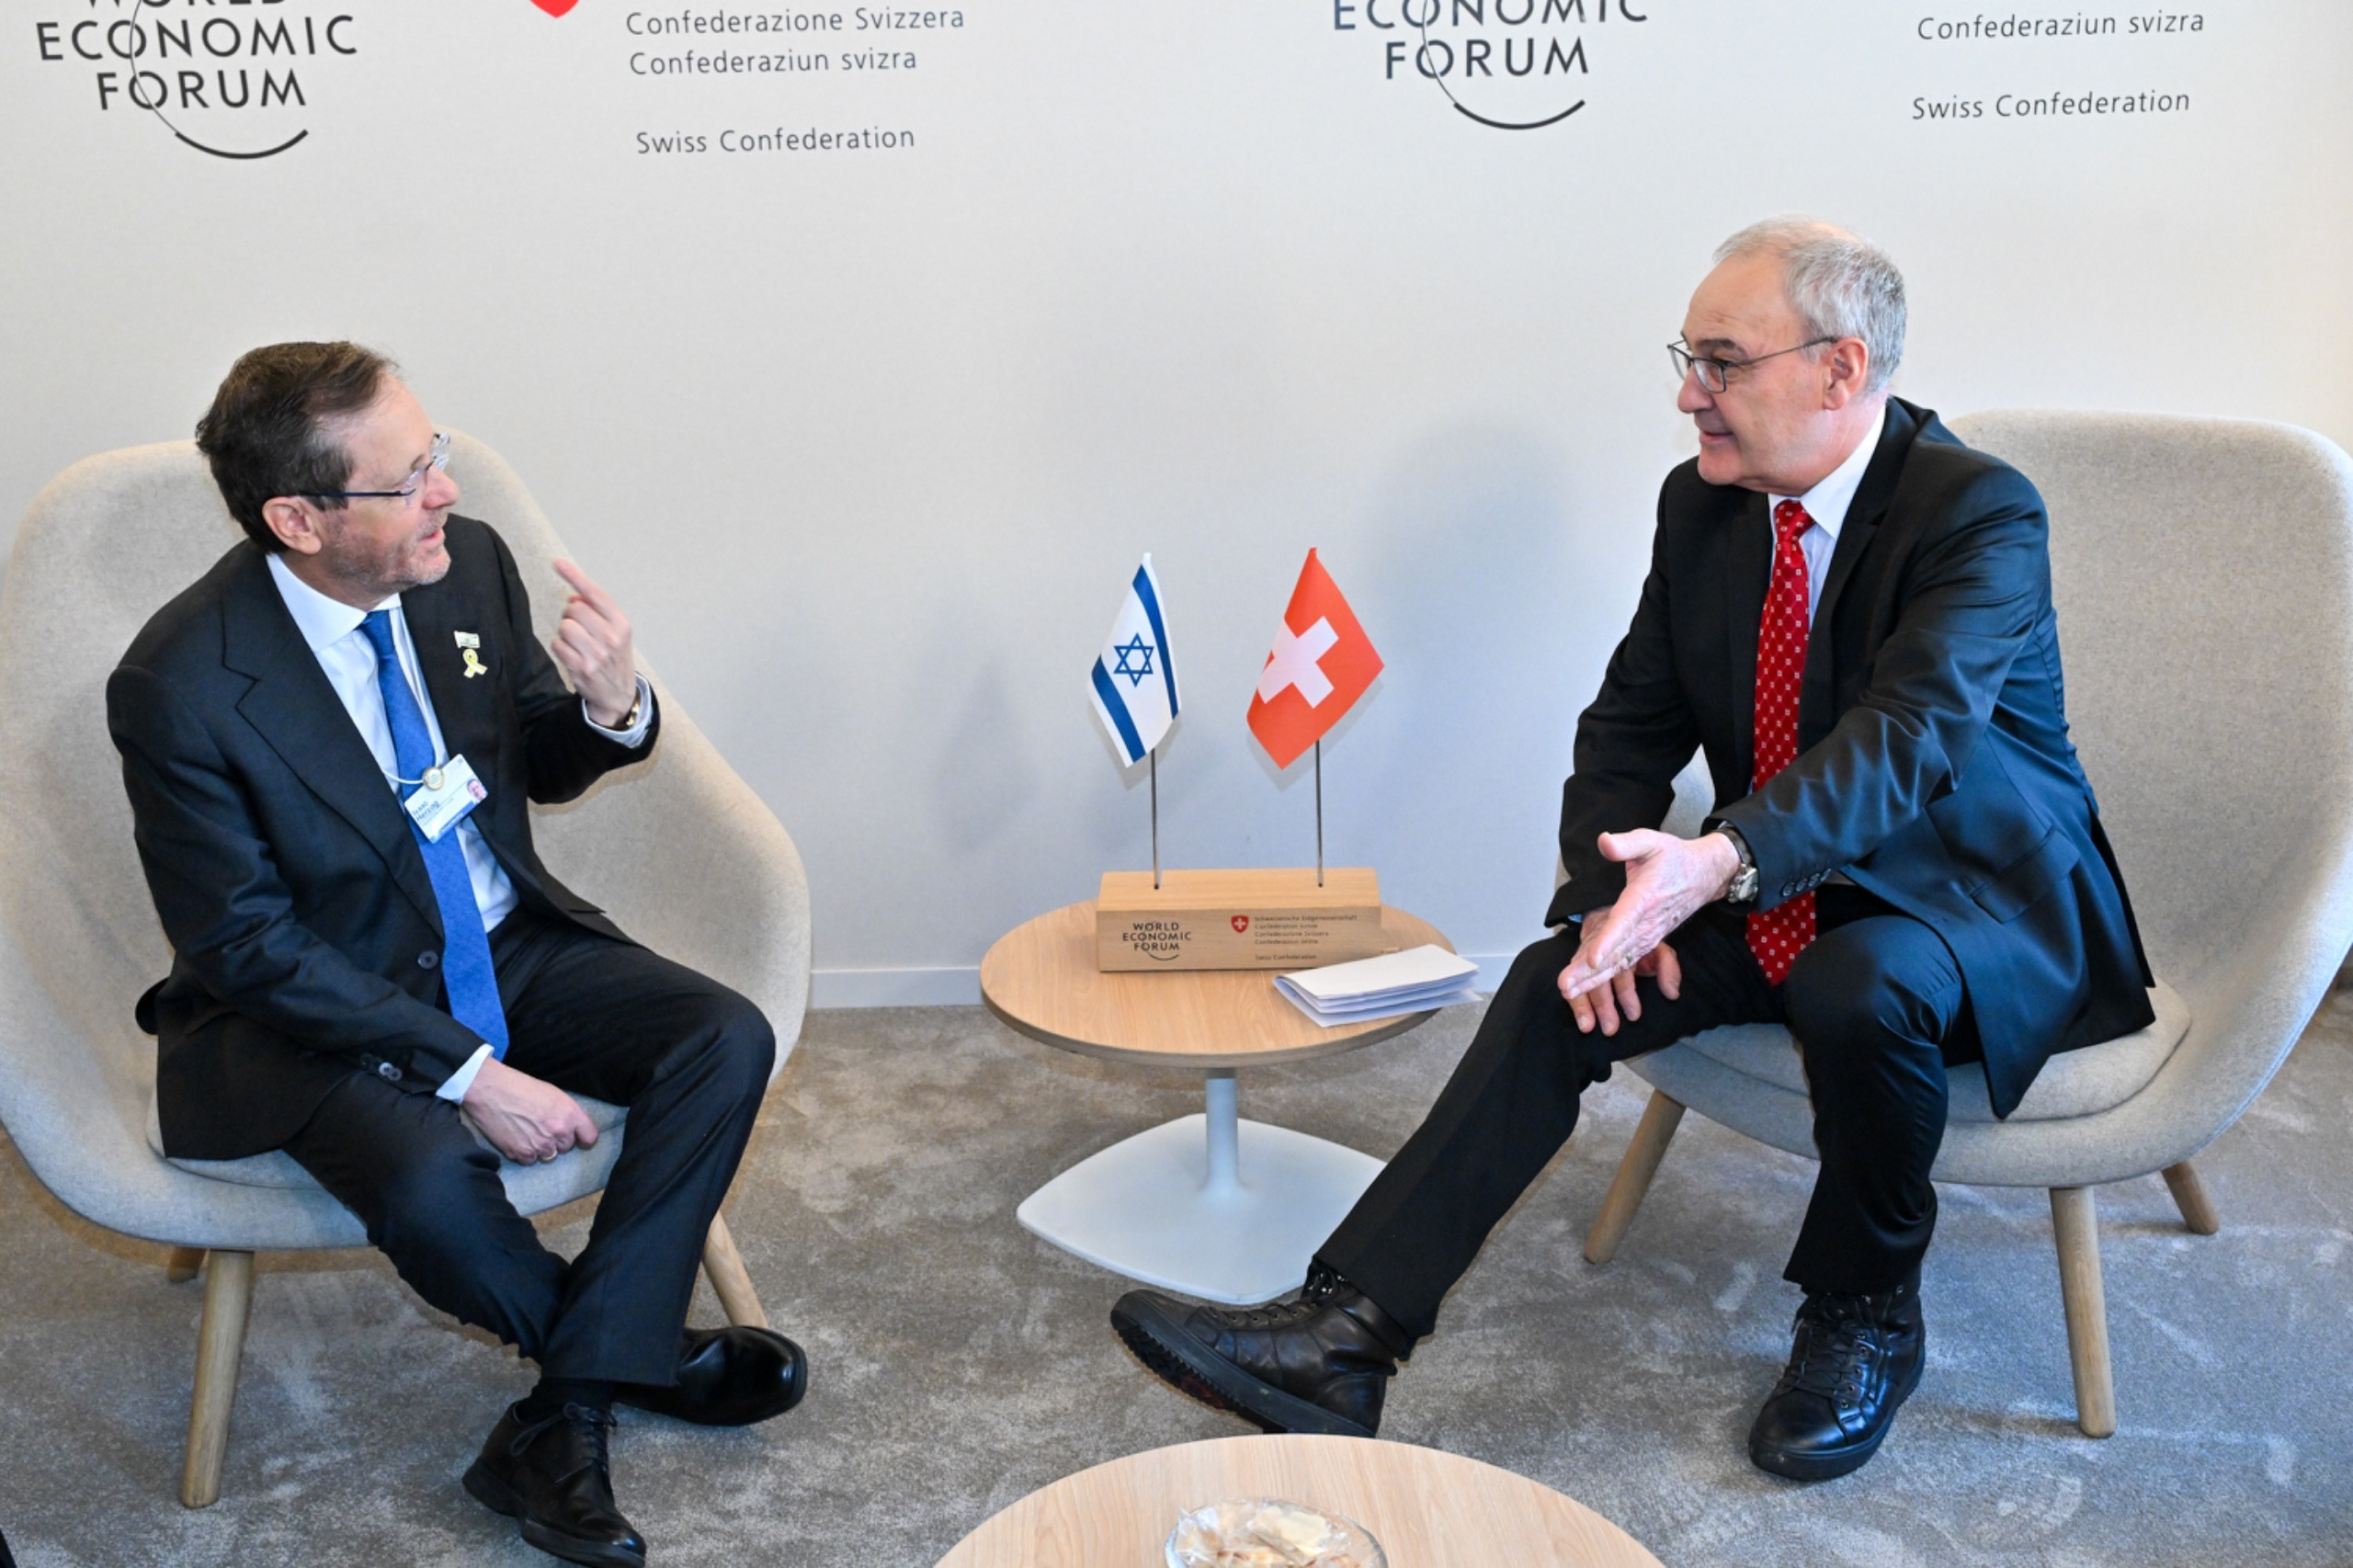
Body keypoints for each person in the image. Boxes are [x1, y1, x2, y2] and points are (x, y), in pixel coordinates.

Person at [1110, 219, 2154, 1481]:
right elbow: (1629, 727)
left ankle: (1867, 1312)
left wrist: (1712, 864)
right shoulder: (1702, 505)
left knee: (1859, 984)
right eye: (1687, 358)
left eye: (1723, 362)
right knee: (1560, 981)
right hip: (1778, 872)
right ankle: (1348, 1334)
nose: (1689, 393)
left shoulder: (1978, 510)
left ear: (1840, 367)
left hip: (1965, 897)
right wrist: (1613, 904)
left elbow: (1910, 739)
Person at [109, 343, 804, 1567]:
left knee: (721, 1035)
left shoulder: (464, 561)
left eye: (435, 451)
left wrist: (609, 709)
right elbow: (247, 945)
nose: (447, 487)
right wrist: (471, 1075)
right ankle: (639, 1360)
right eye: (409, 476)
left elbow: (528, 754)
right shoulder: (181, 683)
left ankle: (566, 1407)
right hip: (315, 1001)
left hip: (498, 936)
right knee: (436, 1183)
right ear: (298, 520)